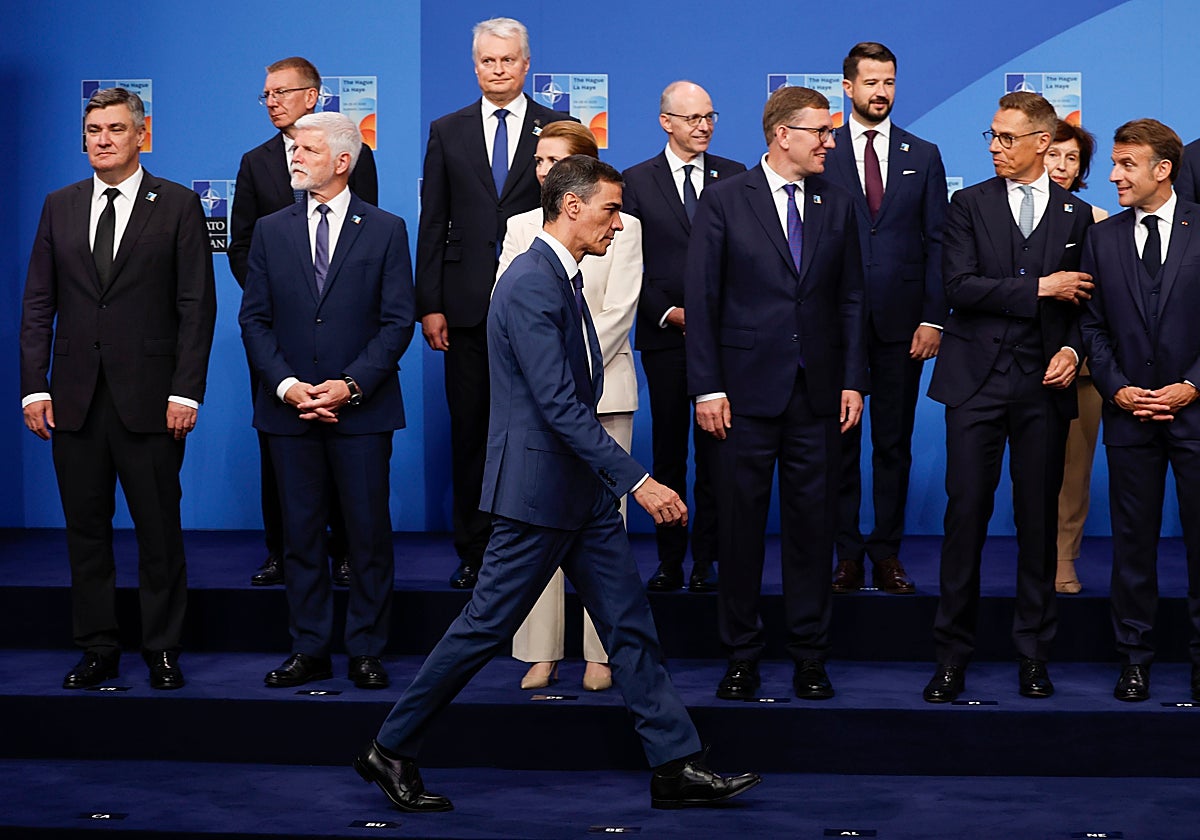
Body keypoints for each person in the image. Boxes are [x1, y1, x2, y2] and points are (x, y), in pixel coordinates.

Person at [355, 155, 760, 811]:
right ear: (571, 207)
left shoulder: (560, 276)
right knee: (483, 629)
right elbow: (559, 405)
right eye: (610, 209)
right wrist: (639, 482)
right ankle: (391, 748)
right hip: (540, 492)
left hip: (582, 495)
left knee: (629, 626)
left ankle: (675, 765)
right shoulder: (531, 282)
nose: (620, 224)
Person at [20, 87, 216, 690]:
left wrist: (186, 392)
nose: (101, 140)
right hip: (74, 400)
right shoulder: (60, 204)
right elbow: (38, 302)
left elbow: (196, 306)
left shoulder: (178, 204)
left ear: (141, 135)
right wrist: (34, 387)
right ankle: (98, 647)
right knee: (86, 531)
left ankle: (161, 647)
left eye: (114, 129)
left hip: (153, 400)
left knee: (159, 530)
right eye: (93, 130)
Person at [685, 86, 867, 702]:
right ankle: (741, 656)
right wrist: (706, 386)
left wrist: (851, 378)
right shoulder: (724, 201)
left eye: (831, 132)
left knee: (814, 531)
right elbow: (703, 301)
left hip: (816, 395)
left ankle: (810, 656)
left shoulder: (838, 204)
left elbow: (850, 299)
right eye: (819, 131)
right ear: (782, 134)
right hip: (739, 396)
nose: (829, 142)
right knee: (738, 529)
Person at [923, 92, 1094, 703]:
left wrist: (1074, 352)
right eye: (992, 137)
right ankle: (950, 657)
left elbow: (1090, 309)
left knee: (1036, 523)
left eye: (1007, 138)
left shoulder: (1078, 217)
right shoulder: (966, 205)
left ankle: (1033, 654)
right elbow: (960, 287)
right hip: (975, 384)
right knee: (964, 517)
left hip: (1044, 389)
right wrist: (1040, 287)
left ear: (1043, 142)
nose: (995, 147)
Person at [239, 112, 414, 691]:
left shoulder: (387, 229)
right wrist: (289, 387)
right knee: (301, 537)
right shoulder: (270, 229)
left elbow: (396, 322)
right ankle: (309, 648)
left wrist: (350, 385)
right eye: (294, 149)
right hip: (288, 412)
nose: (294, 157)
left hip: (361, 411)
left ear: (343, 160)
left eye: (308, 149)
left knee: (367, 535)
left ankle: (366, 648)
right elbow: (255, 320)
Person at [416, 16, 575, 590]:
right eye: (488, 61)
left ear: (526, 64)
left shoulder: (558, 129)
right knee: (473, 431)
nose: (498, 70)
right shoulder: (447, 129)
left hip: (539, 305)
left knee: (538, 429)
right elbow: (433, 220)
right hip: (464, 308)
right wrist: (428, 303)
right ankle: (474, 551)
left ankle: (535, 547)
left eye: (508, 60)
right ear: (475, 64)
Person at [498, 122, 642, 692]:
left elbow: (619, 310)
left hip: (606, 391)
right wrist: (556, 379)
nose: (541, 169)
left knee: (606, 531)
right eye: (538, 160)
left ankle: (603, 652)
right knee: (542, 523)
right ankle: (540, 649)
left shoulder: (620, 224)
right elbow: (510, 310)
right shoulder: (520, 229)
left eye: (555, 159)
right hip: (545, 400)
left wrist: (573, 375)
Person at [229, 56, 379, 590]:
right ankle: (283, 549)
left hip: (345, 345)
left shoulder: (352, 152)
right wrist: (281, 307)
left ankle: (343, 551)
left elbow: (368, 249)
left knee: (346, 456)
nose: (272, 102)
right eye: (265, 94)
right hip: (280, 340)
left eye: (282, 92)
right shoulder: (255, 162)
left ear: (312, 95)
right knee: (282, 451)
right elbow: (242, 246)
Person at [1080, 119, 1200, 703]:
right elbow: (1092, 327)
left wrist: (1192, 386)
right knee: (1132, 545)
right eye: (1115, 164)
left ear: (1163, 170)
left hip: (1195, 415)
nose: (1113, 175)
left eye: (1127, 165)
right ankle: (1134, 659)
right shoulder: (1102, 239)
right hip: (1128, 415)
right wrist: (1118, 387)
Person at [822, 42, 948, 595]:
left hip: (903, 326)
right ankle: (846, 553)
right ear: (847, 87)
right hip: (834, 325)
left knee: (894, 444)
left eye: (889, 82)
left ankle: (886, 552)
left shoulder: (924, 153)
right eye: (871, 82)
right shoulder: (821, 152)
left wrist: (933, 318)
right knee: (839, 443)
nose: (881, 92)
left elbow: (938, 243)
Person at [622, 81, 745, 593]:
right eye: (692, 118)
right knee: (670, 453)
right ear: (665, 122)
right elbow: (626, 265)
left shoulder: (736, 177)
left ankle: (707, 561)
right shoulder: (634, 181)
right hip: (667, 338)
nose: (703, 126)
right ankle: (671, 558)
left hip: (725, 342)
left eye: (709, 116)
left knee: (718, 454)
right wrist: (668, 311)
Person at [1045, 120, 1109, 595]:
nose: (1062, 167)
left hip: (1083, 367)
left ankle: (1065, 557)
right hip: (1018, 358)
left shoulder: (1100, 220)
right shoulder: (999, 212)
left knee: (1075, 469)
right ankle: (1036, 554)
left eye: (1073, 159)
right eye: (1055, 155)